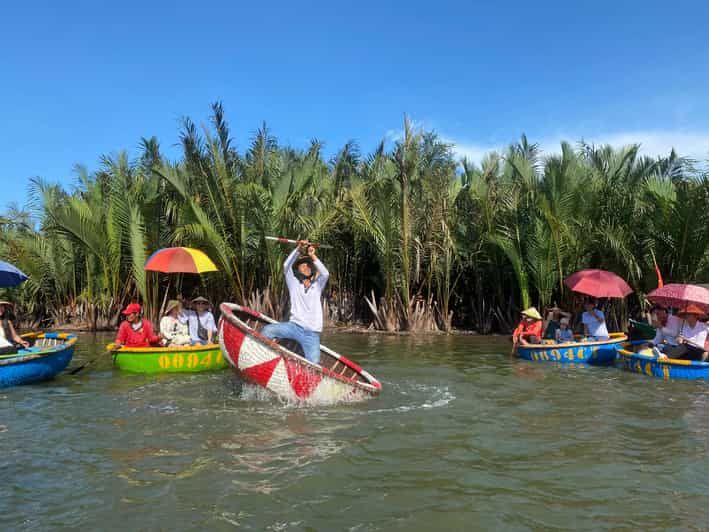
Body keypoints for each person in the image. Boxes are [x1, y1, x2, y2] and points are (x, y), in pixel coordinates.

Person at [260, 241, 330, 364]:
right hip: (293, 327)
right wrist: (298, 249)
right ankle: (265, 359)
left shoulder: (317, 286)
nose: (306, 267)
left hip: (311, 333)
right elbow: (286, 266)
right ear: (298, 271)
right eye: (303, 266)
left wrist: (312, 255)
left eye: (308, 266)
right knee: (267, 331)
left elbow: (325, 273)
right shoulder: (294, 285)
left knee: (314, 363)